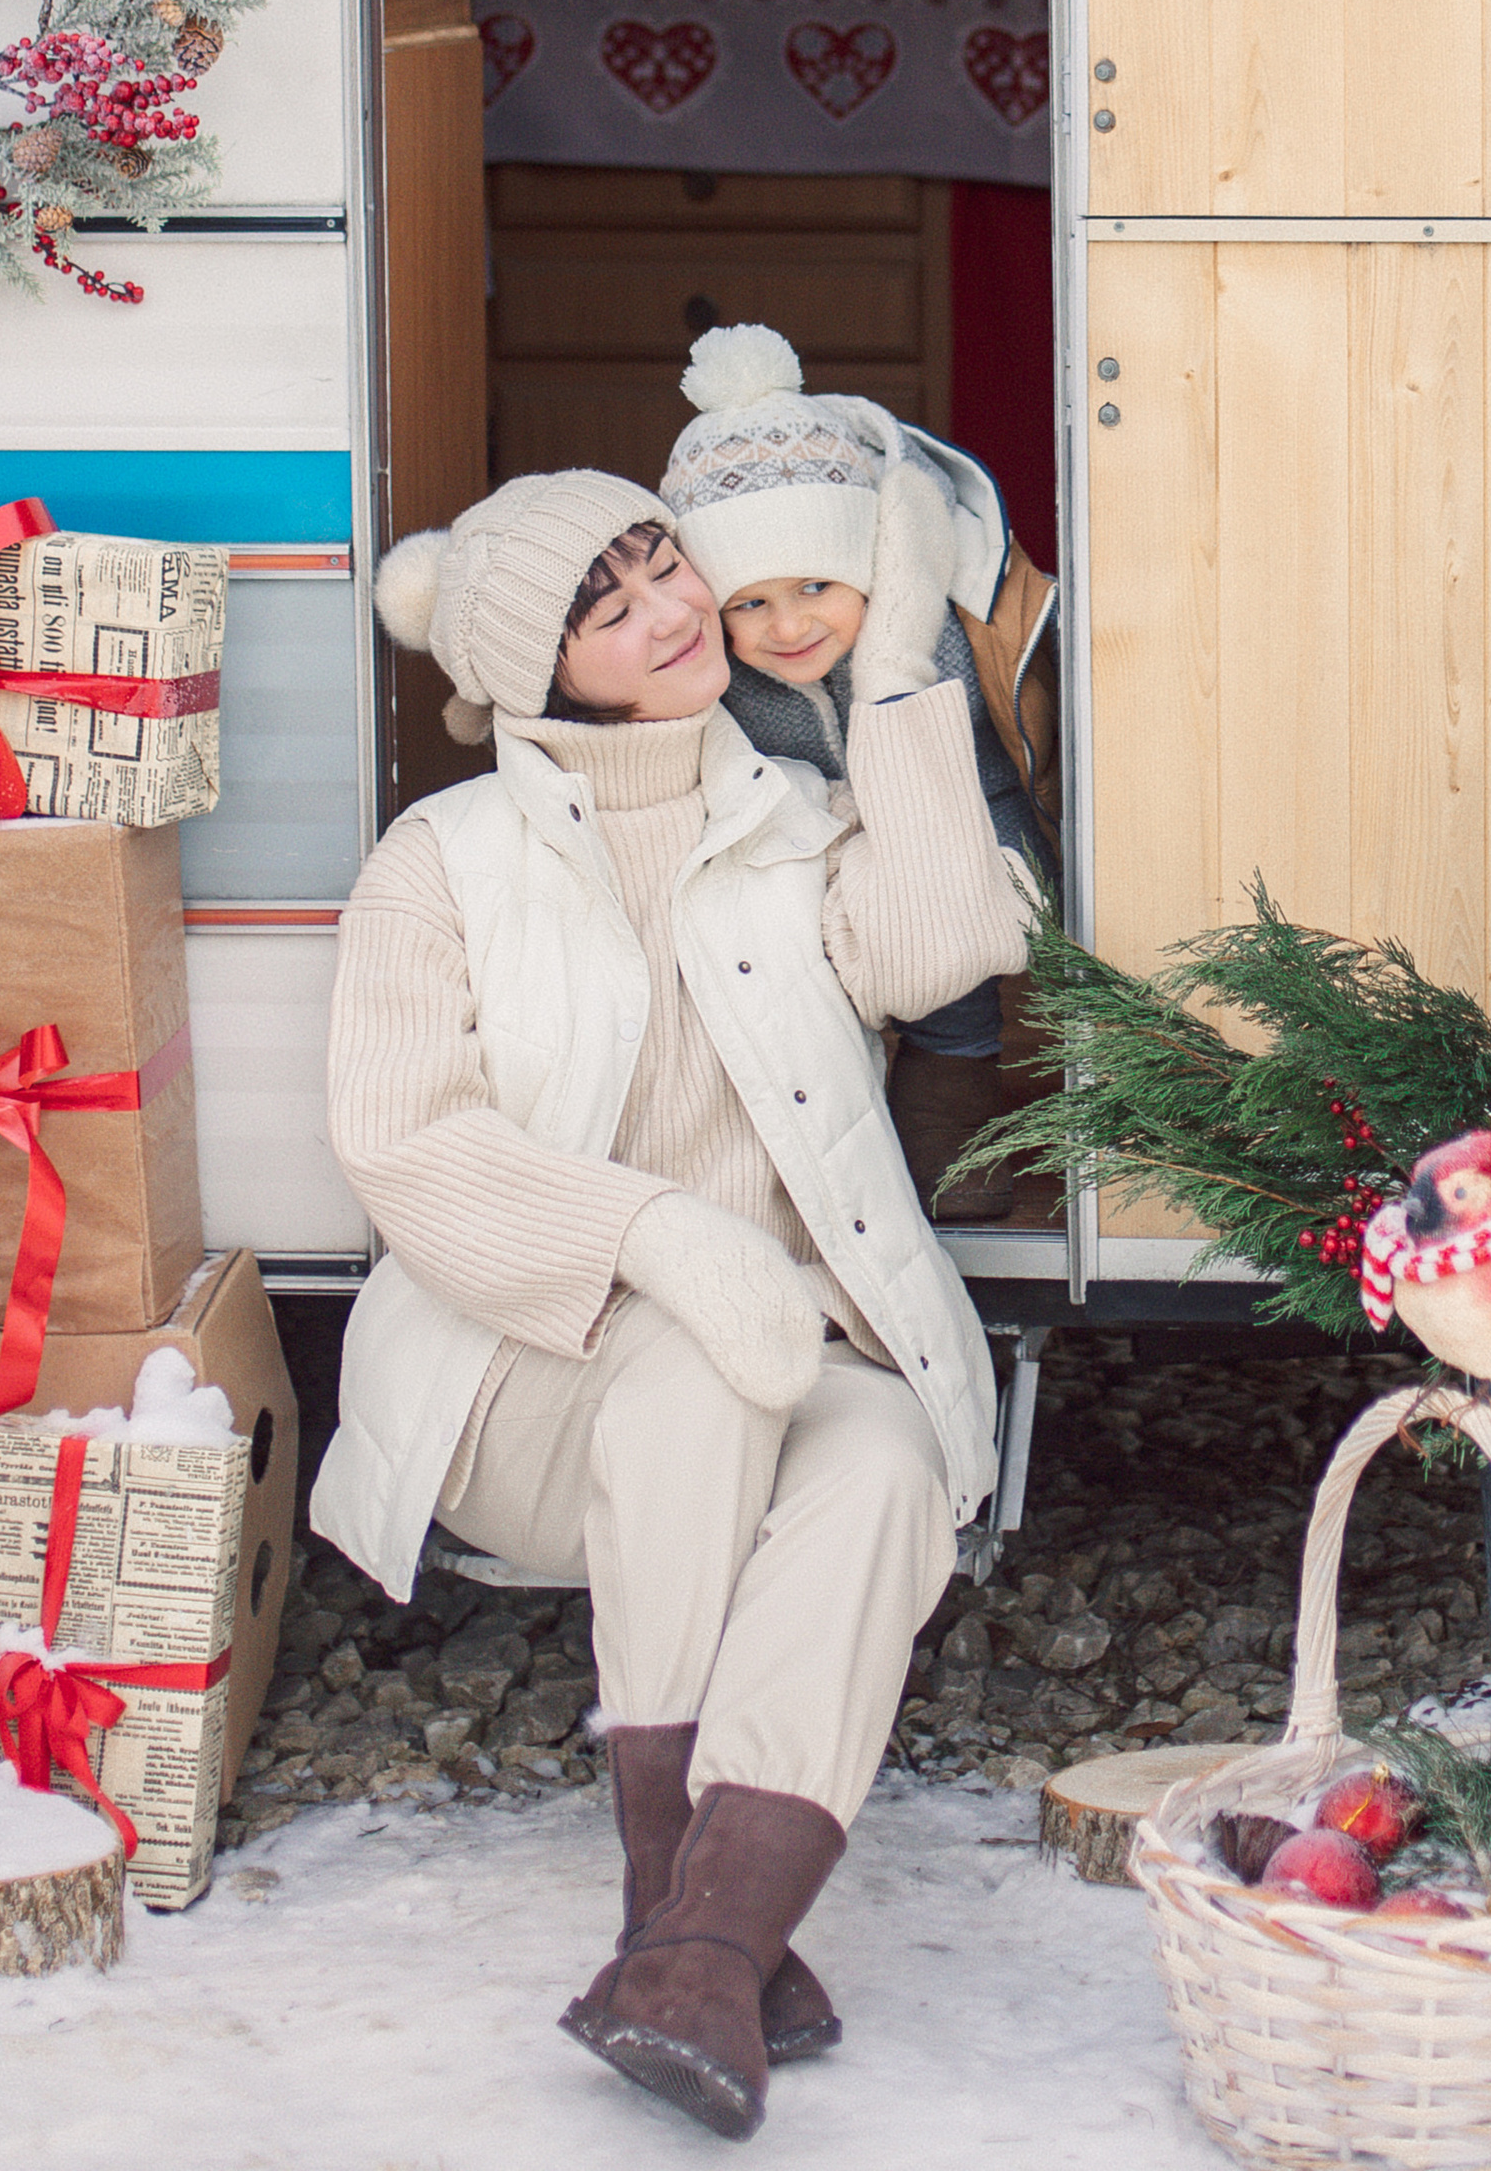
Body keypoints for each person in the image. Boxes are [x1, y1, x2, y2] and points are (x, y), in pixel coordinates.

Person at [310, 467, 1034, 2143]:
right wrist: (661, 1239)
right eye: (609, 602)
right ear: (537, 669)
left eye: (663, 566)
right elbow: (400, 1142)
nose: (670, 608)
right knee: (705, 1369)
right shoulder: (447, 859)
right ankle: (674, 1912)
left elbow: (935, 958)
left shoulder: (790, 809)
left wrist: (902, 672)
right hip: (522, 1381)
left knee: (882, 1467)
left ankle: (702, 1949)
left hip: (789, 1354)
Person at [658, 324, 1058, 1224]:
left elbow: (1001, 764)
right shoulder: (729, 685)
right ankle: (838, 1126)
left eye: (815, 588)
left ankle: (955, 1096)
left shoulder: (937, 635)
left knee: (933, 914)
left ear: (865, 568)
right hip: (821, 839)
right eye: (749, 604)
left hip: (969, 824)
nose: (788, 627)